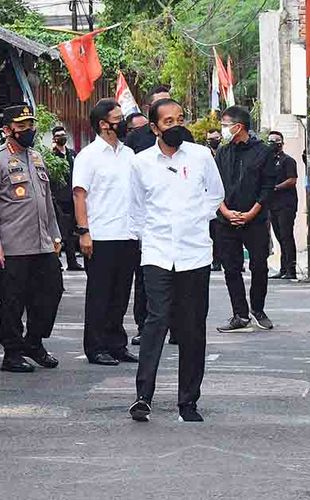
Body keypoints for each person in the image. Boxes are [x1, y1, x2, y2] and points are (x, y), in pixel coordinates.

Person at [128, 98, 224, 423]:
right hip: (157, 254)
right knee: (155, 322)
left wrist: (198, 218)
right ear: (154, 128)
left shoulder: (200, 157)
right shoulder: (140, 163)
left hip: (194, 253)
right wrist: (149, 237)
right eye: (168, 121)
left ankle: (188, 402)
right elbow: (136, 209)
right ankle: (144, 396)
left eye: (179, 118)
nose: (176, 125)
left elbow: (216, 194)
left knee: (193, 327)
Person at [0, 104, 64, 373]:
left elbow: (46, 200)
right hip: (12, 245)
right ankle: (12, 352)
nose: (28, 130)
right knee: (13, 300)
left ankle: (34, 342)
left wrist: (56, 234)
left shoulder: (37, 157)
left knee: (51, 292)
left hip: (42, 242)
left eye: (30, 125)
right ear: (7, 130)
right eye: (21, 126)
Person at [73, 99, 139, 366]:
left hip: (127, 233)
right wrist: (84, 232)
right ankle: (96, 346)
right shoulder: (88, 156)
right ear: (103, 124)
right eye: (119, 118)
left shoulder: (129, 154)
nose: (124, 122)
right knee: (100, 294)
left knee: (121, 294)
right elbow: (80, 196)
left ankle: (116, 344)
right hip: (100, 235)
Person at [126, 86, 193, 347]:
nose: (173, 122)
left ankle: (177, 328)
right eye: (163, 110)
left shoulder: (187, 140)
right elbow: (135, 195)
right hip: (153, 231)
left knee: (182, 284)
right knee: (147, 284)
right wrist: (141, 232)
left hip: (183, 230)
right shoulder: (137, 141)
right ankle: (146, 327)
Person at [215, 106, 277, 333]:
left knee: (259, 266)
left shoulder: (263, 151)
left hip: (255, 219)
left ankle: (258, 309)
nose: (223, 129)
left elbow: (268, 186)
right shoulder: (222, 152)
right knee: (231, 268)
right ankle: (239, 314)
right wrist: (224, 211)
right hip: (226, 219)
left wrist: (252, 212)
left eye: (225, 124)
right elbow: (213, 187)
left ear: (238, 126)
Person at [267, 131, 299, 280]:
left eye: (276, 140)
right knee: (279, 236)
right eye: (270, 140)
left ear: (282, 143)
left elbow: (292, 180)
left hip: (286, 204)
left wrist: (277, 187)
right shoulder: (269, 161)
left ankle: (291, 269)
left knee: (286, 236)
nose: (273, 143)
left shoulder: (288, 161)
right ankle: (283, 268)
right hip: (273, 204)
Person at [51, 125, 82, 271]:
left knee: (70, 233)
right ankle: (55, 263)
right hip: (58, 199)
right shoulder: (52, 156)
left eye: (63, 135)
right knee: (58, 233)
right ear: (54, 138)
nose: (61, 137)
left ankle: (72, 262)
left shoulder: (72, 154)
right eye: (58, 135)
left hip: (72, 197)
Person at [206, 128, 224, 272]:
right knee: (213, 233)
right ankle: (216, 261)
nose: (213, 141)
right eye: (210, 139)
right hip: (210, 200)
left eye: (216, 138)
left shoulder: (226, 152)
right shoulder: (205, 155)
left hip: (226, 198)